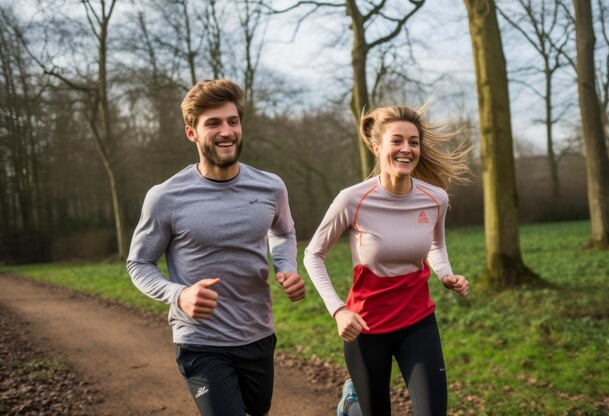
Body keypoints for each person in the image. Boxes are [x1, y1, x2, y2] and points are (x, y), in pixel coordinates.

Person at [127, 79, 306, 416]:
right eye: (213, 123)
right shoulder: (166, 197)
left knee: (257, 409)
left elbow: (283, 233)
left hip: (257, 333)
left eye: (232, 121)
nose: (226, 131)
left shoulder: (270, 187)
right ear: (191, 133)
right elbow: (138, 263)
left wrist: (286, 268)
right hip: (200, 341)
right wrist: (179, 295)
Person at [303, 105, 471, 416]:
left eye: (414, 142)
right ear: (377, 146)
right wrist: (338, 310)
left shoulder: (436, 198)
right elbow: (313, 254)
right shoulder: (352, 199)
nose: (406, 149)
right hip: (366, 327)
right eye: (397, 141)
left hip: (417, 321)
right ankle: (352, 405)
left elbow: (436, 243)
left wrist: (445, 274)